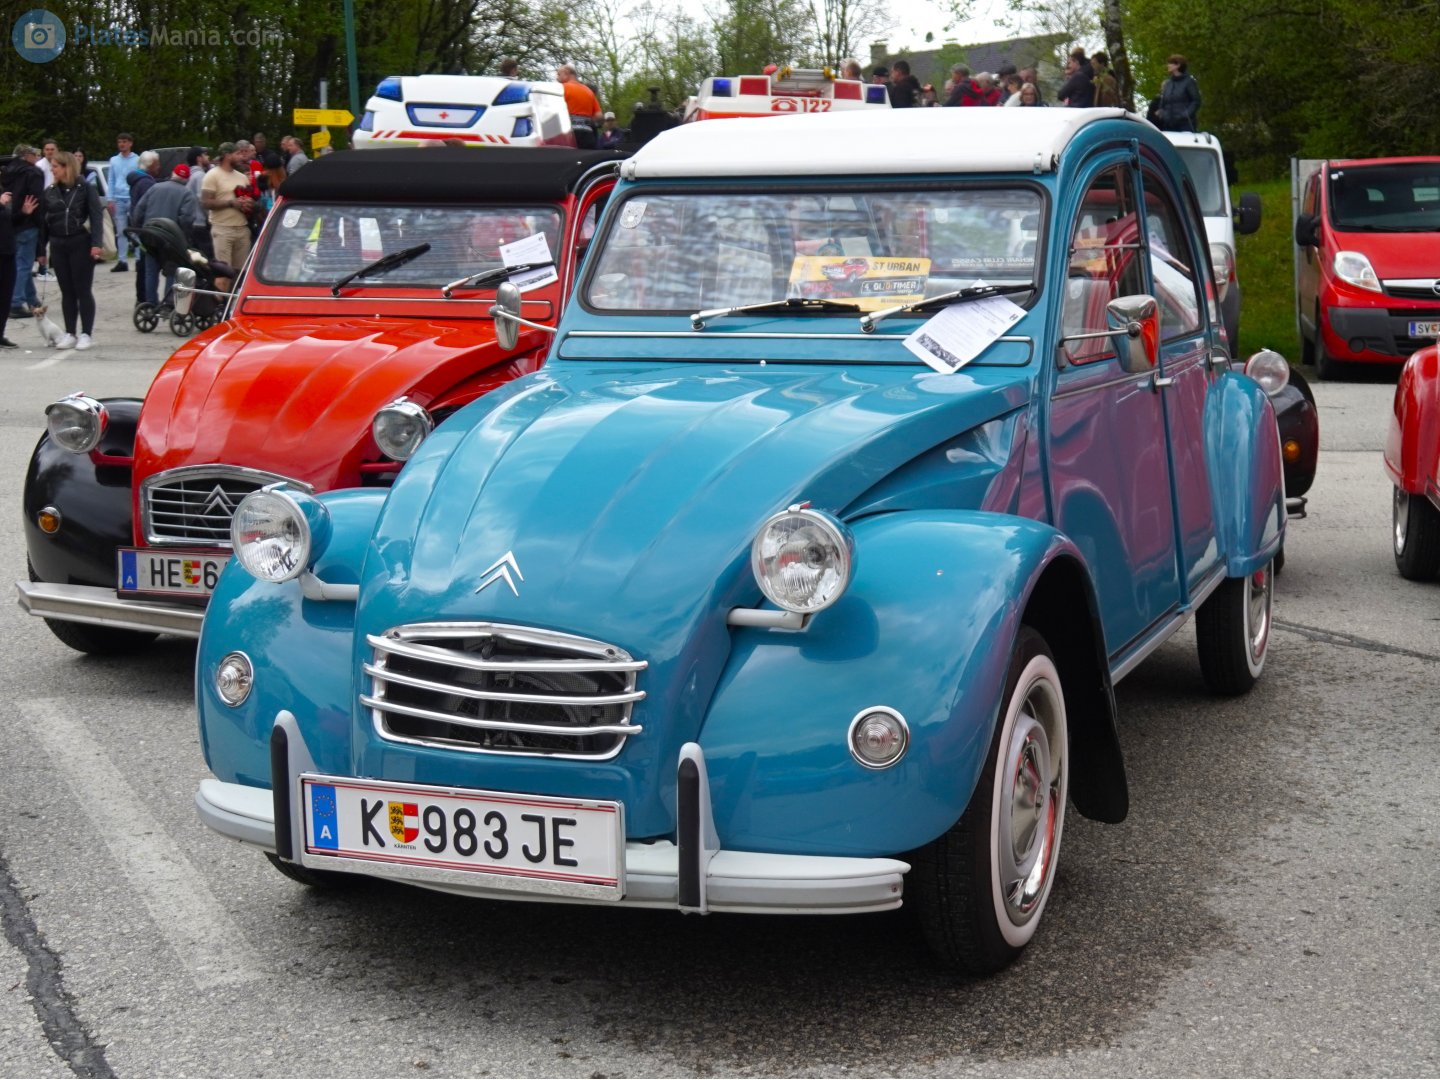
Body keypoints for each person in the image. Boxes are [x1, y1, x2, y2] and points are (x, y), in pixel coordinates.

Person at [42, 152, 104, 350]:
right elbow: (45, 221)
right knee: (66, 291)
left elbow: (96, 216)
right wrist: (41, 249)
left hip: (80, 241)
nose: (52, 170)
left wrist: (96, 243)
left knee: (82, 289)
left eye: (55, 166)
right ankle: (70, 332)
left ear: (66, 167)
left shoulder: (85, 187)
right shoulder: (50, 191)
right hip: (58, 243)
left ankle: (86, 333)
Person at [132, 164, 199, 307]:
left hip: (150, 235)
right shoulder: (187, 194)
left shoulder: (155, 187)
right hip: (171, 239)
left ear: (172, 173)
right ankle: (168, 303)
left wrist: (139, 229)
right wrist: (184, 238)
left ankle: (150, 303)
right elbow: (187, 219)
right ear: (187, 179)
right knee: (171, 270)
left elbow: (139, 210)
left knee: (151, 271)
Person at [200, 142, 254, 288]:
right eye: (237, 154)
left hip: (242, 228)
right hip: (222, 229)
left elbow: (247, 198)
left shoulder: (242, 177)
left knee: (240, 273)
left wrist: (248, 204)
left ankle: (235, 305)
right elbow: (205, 202)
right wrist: (231, 203)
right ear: (227, 155)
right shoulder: (212, 175)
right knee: (223, 273)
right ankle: (221, 306)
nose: (241, 157)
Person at [4, 146, 46, 318]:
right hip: (28, 222)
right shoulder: (33, 173)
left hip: (12, 221)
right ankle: (15, 302)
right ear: (27, 156)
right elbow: (37, 199)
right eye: (36, 155)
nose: (37, 158)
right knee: (24, 264)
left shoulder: (7, 171)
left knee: (22, 261)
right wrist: (41, 222)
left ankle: (32, 299)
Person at [107, 133, 141, 271]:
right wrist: (110, 198)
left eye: (125, 142)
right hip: (119, 198)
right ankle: (122, 260)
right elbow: (111, 179)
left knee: (136, 229)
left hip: (132, 197)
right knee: (121, 231)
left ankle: (139, 258)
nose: (122, 144)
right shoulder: (114, 160)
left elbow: (140, 179)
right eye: (120, 142)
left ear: (130, 143)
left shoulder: (137, 159)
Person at [556, 64, 602, 148]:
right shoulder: (588, 91)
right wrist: (586, 122)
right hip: (587, 134)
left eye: (559, 74)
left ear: (566, 73)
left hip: (568, 135)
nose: (557, 78)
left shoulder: (560, 89)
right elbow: (599, 116)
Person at [1155, 54, 1201, 131]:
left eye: (1170, 63)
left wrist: (1185, 115)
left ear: (1178, 65)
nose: (1168, 65)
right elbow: (1163, 102)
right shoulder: (1168, 84)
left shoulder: (1189, 82)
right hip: (1168, 124)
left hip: (1185, 125)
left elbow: (1196, 101)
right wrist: (1162, 114)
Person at [184, 146, 212, 255]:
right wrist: (210, 218)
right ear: (199, 158)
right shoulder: (200, 176)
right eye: (205, 155)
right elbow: (203, 200)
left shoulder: (189, 175)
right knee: (206, 256)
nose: (208, 157)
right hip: (199, 223)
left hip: (191, 222)